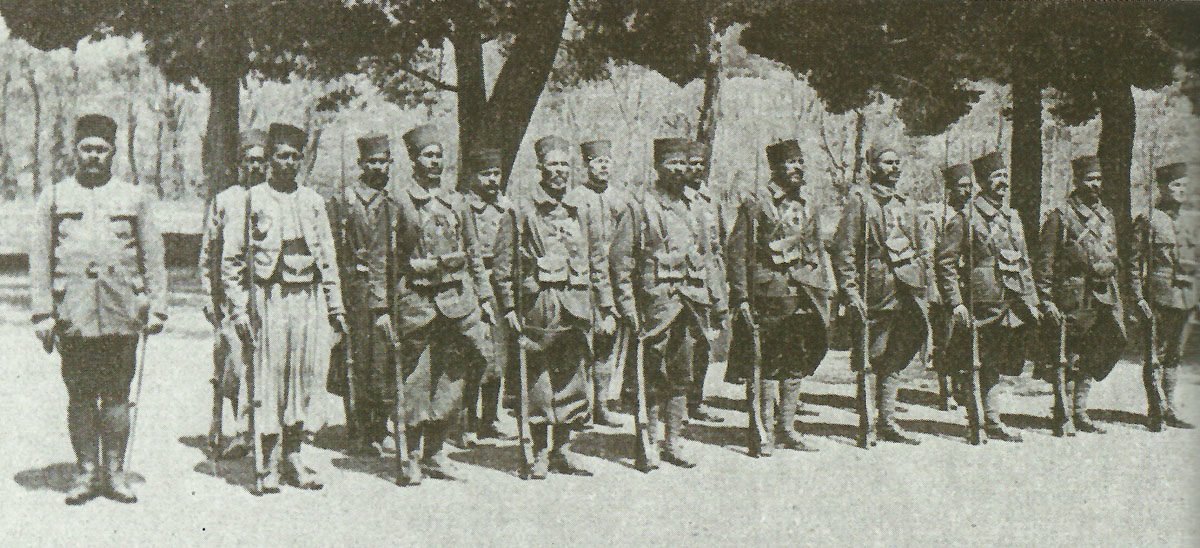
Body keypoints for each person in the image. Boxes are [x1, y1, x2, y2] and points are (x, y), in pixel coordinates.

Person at [30, 113, 168, 505]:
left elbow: (153, 257)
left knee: (118, 394)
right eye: (86, 148)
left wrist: (157, 307)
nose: (93, 155)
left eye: (101, 149)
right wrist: (43, 313)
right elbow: (39, 259)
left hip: (121, 312)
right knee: (79, 394)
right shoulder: (55, 196)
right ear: (76, 151)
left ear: (113, 152)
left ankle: (115, 472)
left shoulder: (134, 197)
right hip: (73, 313)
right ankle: (86, 472)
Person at [222, 122, 347, 493]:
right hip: (269, 299)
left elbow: (328, 257)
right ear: (270, 158)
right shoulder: (251, 200)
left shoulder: (313, 202)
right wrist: (240, 310)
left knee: (303, 378)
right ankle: (269, 462)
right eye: (281, 156)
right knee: (270, 379)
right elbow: (231, 261)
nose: (288, 163)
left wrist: (335, 307)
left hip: (307, 300)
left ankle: (294, 457)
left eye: (295, 156)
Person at [495, 135, 615, 478]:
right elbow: (503, 267)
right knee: (537, 381)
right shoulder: (521, 211)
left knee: (573, 379)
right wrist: (508, 309)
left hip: (575, 306)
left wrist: (604, 306)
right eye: (553, 165)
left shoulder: (583, 210)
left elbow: (597, 262)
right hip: (538, 307)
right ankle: (538, 452)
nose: (560, 171)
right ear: (541, 170)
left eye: (565, 165)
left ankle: (564, 449)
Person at [611, 137, 724, 469]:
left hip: (690, 302)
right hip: (655, 305)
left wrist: (716, 301)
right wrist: (628, 307)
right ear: (658, 167)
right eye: (672, 163)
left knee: (681, 373)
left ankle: (673, 440)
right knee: (648, 374)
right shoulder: (640, 206)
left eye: (684, 164)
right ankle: (646, 440)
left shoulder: (697, 207)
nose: (679, 170)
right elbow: (621, 262)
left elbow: (707, 257)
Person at [390, 124, 491, 484]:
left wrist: (485, 298)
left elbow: (474, 255)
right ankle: (411, 455)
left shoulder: (458, 201)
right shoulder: (399, 201)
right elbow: (388, 260)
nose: (435, 162)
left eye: (439, 155)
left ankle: (436, 452)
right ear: (414, 160)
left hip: (457, 303)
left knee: (452, 378)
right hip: (417, 304)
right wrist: (387, 308)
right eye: (427, 156)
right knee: (416, 381)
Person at [725, 139, 830, 454]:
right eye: (790, 162)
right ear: (775, 167)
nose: (798, 167)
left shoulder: (808, 204)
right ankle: (763, 431)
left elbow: (816, 250)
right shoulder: (756, 204)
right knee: (767, 364)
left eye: (801, 161)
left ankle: (788, 428)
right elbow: (737, 254)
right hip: (768, 295)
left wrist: (824, 285)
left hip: (805, 294)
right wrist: (742, 297)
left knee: (795, 361)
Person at [935, 151, 1041, 442]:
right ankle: (976, 422)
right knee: (973, 361)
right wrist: (955, 301)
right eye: (996, 177)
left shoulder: (1012, 218)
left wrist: (1031, 300)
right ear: (982, 182)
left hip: (1010, 301)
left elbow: (1023, 261)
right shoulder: (966, 218)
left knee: (994, 362)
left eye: (1005, 176)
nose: (1003, 182)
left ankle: (993, 421)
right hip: (980, 301)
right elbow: (945, 261)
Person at [831, 143, 931, 445]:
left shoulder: (906, 204)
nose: (895, 168)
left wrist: (921, 275)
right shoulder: (861, 202)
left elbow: (922, 245)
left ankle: (888, 420)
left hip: (907, 291)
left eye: (898, 163)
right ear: (872, 167)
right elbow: (844, 249)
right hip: (874, 290)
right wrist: (850, 290)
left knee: (896, 356)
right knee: (870, 356)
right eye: (888, 163)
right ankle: (867, 423)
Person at [1034, 154, 1128, 435]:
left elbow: (1114, 253)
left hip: (1102, 295)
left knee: (1091, 354)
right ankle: (1062, 412)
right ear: (1077, 181)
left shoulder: (1106, 215)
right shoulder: (1060, 216)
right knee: (1067, 356)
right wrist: (1046, 298)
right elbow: (1045, 262)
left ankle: (1081, 411)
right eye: (1090, 179)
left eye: (1099, 179)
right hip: (1072, 296)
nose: (1095, 185)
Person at [326, 133, 401, 455]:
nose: (378, 167)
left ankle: (380, 426)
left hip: (389, 292)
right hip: (353, 292)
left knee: (384, 361)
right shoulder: (343, 202)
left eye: (383, 162)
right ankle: (356, 427)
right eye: (372, 162)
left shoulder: (395, 204)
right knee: (352, 358)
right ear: (361, 164)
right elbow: (329, 249)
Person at [198, 128, 268, 460]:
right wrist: (208, 296)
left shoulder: (273, 198)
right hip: (233, 298)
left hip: (269, 295)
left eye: (261, 161)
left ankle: (256, 431)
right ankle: (242, 430)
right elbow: (210, 253)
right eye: (249, 161)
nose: (255, 167)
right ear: (239, 164)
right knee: (236, 366)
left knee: (266, 365)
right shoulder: (225, 200)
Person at [1129, 161, 1195, 430]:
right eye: (1177, 185)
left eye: (1186, 186)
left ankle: (1171, 407)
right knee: (1154, 353)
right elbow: (1133, 262)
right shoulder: (1149, 219)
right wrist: (1137, 296)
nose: (1182, 191)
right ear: (1164, 189)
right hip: (1158, 294)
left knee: (1175, 354)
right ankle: (1155, 408)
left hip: (1187, 296)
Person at [571, 139, 632, 428]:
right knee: (583, 346)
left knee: (608, 347)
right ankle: (580, 407)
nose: (604, 166)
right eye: (597, 161)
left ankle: (602, 405)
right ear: (586, 166)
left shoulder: (622, 200)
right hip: (585, 285)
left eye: (608, 160)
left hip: (616, 281)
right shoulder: (575, 199)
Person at [462, 146, 513, 443]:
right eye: (486, 174)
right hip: (472, 283)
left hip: (501, 284)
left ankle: (490, 418)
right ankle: (468, 421)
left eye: (496, 173)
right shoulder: (464, 207)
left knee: (499, 355)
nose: (492, 180)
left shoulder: (507, 207)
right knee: (475, 354)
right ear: (473, 176)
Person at [682, 140, 729, 423]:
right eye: (691, 164)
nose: (697, 169)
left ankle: (695, 400)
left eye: (701, 164)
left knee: (704, 342)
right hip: (687, 279)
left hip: (711, 278)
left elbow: (719, 242)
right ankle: (674, 403)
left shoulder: (711, 199)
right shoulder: (678, 200)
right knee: (683, 344)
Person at [925, 163, 974, 411]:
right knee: (943, 339)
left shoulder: (971, 217)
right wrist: (935, 289)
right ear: (950, 189)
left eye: (970, 186)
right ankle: (945, 391)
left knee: (963, 339)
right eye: (962, 186)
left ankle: (961, 386)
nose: (967, 191)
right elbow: (931, 254)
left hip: (965, 286)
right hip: (941, 288)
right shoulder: (938, 216)